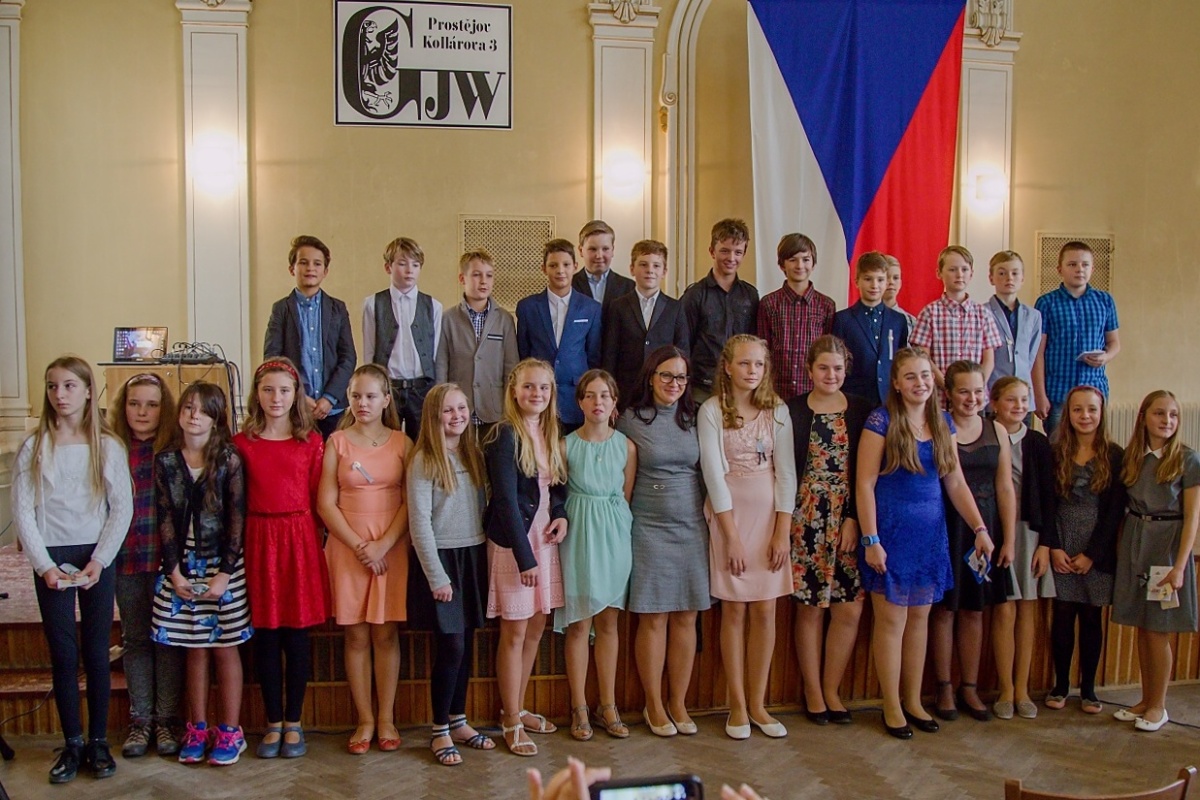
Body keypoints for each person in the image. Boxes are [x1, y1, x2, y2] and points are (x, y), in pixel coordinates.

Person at [856, 347, 990, 739]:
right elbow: (864, 483)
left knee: (919, 620)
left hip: (930, 535)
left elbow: (955, 481)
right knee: (892, 621)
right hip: (890, 533)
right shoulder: (881, 420)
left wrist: (980, 528)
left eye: (926, 376)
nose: (920, 383)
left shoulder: (943, 421)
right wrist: (871, 538)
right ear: (897, 383)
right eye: (911, 376)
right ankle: (891, 704)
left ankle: (913, 700)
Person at [13, 356, 134, 783]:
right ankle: (73, 742)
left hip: (96, 554)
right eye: (52, 386)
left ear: (87, 391)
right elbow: (23, 511)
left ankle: (98, 741)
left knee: (97, 652)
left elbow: (121, 508)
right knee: (64, 654)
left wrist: (100, 559)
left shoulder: (108, 445)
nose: (59, 395)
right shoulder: (34, 446)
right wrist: (44, 565)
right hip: (52, 554)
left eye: (68, 386)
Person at [698, 334, 797, 740]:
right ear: (727, 366)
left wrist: (782, 531)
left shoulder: (778, 410)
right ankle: (737, 705)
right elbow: (713, 475)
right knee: (735, 611)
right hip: (731, 517)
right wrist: (731, 537)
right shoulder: (711, 410)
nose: (752, 371)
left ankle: (758, 703)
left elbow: (786, 472)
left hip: (769, 518)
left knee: (765, 611)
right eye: (744, 363)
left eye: (759, 364)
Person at [150, 382, 251, 766]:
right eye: (188, 407)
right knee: (194, 649)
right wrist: (174, 572)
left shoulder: (228, 459)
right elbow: (164, 520)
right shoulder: (166, 461)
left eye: (203, 410)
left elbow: (236, 520)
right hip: (182, 566)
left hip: (223, 565)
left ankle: (230, 730)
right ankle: (198, 727)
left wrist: (225, 573)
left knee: (225, 646)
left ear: (216, 418)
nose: (194, 416)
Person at [233, 358, 329, 759]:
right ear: (257, 394)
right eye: (268, 390)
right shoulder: (242, 444)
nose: (276, 398)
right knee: (266, 636)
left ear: (296, 395)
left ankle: (295, 721)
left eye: (284, 391)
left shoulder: (312, 442)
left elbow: (318, 497)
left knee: (297, 635)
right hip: (258, 539)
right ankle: (272, 721)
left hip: (298, 539)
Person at [616, 346, 711, 738]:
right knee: (653, 616)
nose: (674, 383)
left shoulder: (696, 417)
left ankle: (678, 701)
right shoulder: (630, 419)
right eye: (667, 375)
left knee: (687, 615)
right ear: (651, 377)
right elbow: (622, 477)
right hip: (649, 526)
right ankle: (653, 703)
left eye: (681, 377)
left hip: (691, 526)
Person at [318, 364, 411, 754]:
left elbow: (410, 502)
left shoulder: (403, 443)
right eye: (356, 396)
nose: (363, 403)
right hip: (348, 547)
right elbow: (325, 503)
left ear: (386, 399)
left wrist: (382, 545)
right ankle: (365, 719)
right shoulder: (336, 442)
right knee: (356, 635)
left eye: (371, 396)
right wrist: (360, 546)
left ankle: (386, 717)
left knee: (385, 634)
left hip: (391, 548)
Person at [406, 383, 495, 765]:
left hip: (472, 555)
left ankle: (459, 720)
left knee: (468, 642)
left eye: (461, 408)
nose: (457, 416)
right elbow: (419, 523)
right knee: (452, 646)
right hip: (442, 560)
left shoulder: (474, 453)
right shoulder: (424, 460)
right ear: (433, 416)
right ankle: (439, 729)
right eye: (448, 410)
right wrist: (436, 576)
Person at [786, 335, 873, 725]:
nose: (831, 375)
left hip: (848, 520)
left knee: (849, 607)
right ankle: (812, 691)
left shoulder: (862, 410)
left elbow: (867, 473)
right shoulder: (791, 410)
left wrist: (854, 517)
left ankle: (832, 688)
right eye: (823, 367)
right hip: (805, 518)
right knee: (810, 608)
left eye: (837, 368)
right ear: (809, 370)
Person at [484, 358, 569, 756]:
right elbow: (503, 500)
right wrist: (525, 559)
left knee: (536, 628)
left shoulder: (552, 431)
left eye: (544, 388)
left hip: (544, 537)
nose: (537, 394)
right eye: (529, 387)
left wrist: (562, 516)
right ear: (514, 391)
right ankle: (511, 721)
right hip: (516, 542)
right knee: (514, 632)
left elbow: (558, 487)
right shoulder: (504, 434)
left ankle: (516, 708)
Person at [929, 361, 1016, 723]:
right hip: (950, 526)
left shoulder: (998, 429)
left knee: (975, 610)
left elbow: (1005, 487)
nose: (972, 398)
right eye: (964, 391)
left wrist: (1008, 539)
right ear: (948, 394)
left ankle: (970, 686)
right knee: (945, 609)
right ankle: (944, 686)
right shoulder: (939, 426)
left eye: (978, 391)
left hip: (986, 532)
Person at [1111, 390, 1199, 731]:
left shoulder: (1187, 460)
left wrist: (1180, 566)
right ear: (1144, 417)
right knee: (1142, 625)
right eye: (1159, 413)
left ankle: (1159, 705)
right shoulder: (1134, 457)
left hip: (1166, 547)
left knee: (1158, 629)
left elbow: (1192, 518)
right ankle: (1145, 699)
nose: (1167, 420)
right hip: (1137, 541)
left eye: (1173, 414)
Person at [556, 370, 636, 741]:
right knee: (578, 623)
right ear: (580, 402)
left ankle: (608, 705)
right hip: (579, 532)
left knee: (608, 623)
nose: (597, 402)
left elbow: (626, 494)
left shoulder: (627, 447)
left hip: (614, 534)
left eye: (604, 395)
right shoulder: (565, 446)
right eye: (590, 395)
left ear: (614, 402)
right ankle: (579, 707)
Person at [107, 373, 184, 758]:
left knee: (166, 640)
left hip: (167, 560)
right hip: (126, 558)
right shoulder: (111, 449)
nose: (142, 411)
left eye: (151, 405)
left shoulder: (174, 449)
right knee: (135, 639)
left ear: (163, 409)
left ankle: (167, 719)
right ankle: (140, 721)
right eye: (134, 403)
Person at [1042, 385, 1125, 716]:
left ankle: (1088, 688)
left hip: (1097, 550)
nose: (1085, 416)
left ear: (1101, 413)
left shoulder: (1115, 455)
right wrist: (1054, 546)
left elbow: (1114, 512)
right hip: (1063, 543)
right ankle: (1061, 684)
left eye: (1092, 409)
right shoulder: (1055, 451)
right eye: (1078, 409)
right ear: (1068, 414)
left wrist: (1092, 554)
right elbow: (1047, 506)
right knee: (1063, 615)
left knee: (1091, 617)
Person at [987, 377, 1056, 720]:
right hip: (995, 531)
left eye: (1024, 400)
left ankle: (1022, 688)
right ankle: (1005, 689)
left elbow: (1049, 497)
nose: (1019, 406)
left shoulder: (1038, 443)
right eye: (1011, 400)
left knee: (1027, 610)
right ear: (994, 403)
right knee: (1004, 611)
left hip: (1028, 533)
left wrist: (1046, 544)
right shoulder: (985, 436)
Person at [263, 235, 357, 439]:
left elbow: (348, 357)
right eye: (303, 263)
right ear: (292, 269)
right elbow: (272, 359)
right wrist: (298, 396)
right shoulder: (281, 309)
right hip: (294, 407)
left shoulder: (338, 309)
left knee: (333, 457)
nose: (310, 268)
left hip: (332, 409)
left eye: (317, 264)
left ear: (325, 271)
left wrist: (329, 398)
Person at [1033, 241, 1121, 436]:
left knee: (1094, 448)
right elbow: (1037, 353)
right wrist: (1039, 395)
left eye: (1085, 264)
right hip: (1058, 393)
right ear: (1060, 269)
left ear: (1092, 269)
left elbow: (1114, 343)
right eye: (1072, 264)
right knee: (1058, 448)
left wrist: (1105, 357)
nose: (1079, 269)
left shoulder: (1105, 301)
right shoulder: (1046, 303)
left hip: (1094, 391)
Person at [516, 240, 602, 433]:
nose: (560, 271)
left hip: (575, 398)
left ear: (575, 267)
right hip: (538, 398)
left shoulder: (591, 308)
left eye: (566, 265)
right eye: (553, 265)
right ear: (544, 269)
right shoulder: (528, 307)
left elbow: (594, 356)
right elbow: (523, 354)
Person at [362, 236, 443, 439]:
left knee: (423, 444)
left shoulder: (433, 306)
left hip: (422, 390)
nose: (409, 270)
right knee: (386, 442)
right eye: (402, 263)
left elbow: (435, 354)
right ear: (388, 267)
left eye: (415, 265)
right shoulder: (373, 304)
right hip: (389, 389)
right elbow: (370, 351)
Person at [435, 249, 519, 438]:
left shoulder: (504, 319)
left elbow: (511, 368)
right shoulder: (448, 319)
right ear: (462, 278)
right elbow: (441, 365)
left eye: (489, 275)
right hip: (458, 410)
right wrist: (443, 403)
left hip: (494, 409)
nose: (483, 281)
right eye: (476, 275)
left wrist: (509, 409)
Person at [601, 239, 689, 409]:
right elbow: (610, 354)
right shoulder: (618, 306)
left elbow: (683, 352)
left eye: (656, 266)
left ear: (664, 271)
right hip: (626, 392)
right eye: (643, 264)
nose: (650, 270)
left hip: (663, 392)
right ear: (632, 269)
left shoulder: (676, 308)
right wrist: (610, 394)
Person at [681, 218, 759, 405]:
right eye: (724, 251)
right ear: (712, 251)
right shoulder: (694, 295)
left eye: (738, 252)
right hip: (703, 388)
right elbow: (683, 344)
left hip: (741, 387)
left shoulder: (750, 295)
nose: (731, 258)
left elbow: (755, 341)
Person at [909, 245, 1004, 391]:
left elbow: (988, 360)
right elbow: (924, 357)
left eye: (964, 269)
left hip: (973, 397)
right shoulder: (929, 313)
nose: (959, 275)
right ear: (939, 273)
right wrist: (948, 387)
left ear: (971, 273)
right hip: (940, 395)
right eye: (952, 270)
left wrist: (974, 389)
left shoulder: (983, 314)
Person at [757, 233, 835, 400]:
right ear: (782, 265)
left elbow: (827, 351)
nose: (800, 265)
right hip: (776, 391)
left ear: (813, 264)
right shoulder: (769, 303)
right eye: (793, 260)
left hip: (813, 391)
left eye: (806, 259)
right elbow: (763, 350)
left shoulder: (826, 305)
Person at [833, 251, 909, 405]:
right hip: (853, 399)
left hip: (889, 399)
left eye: (880, 279)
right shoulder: (843, 319)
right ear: (857, 281)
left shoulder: (898, 320)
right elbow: (837, 361)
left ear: (886, 282)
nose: (874, 285)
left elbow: (901, 361)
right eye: (868, 279)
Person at [984, 251, 1041, 393]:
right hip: (993, 389)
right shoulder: (982, 313)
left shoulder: (1033, 316)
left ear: (1022, 278)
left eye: (1015, 273)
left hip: (1022, 391)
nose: (1009, 278)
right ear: (991, 278)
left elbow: (1030, 356)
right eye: (1002, 273)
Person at [572, 219, 635, 311]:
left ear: (612, 250)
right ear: (581, 250)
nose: (599, 256)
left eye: (605, 249)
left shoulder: (629, 287)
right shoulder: (570, 285)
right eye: (593, 249)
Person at [881, 254, 917, 335]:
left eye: (895, 278)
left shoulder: (910, 322)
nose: (891, 282)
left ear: (900, 283)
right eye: (886, 277)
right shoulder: (863, 320)